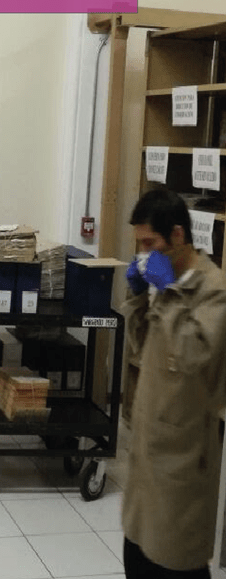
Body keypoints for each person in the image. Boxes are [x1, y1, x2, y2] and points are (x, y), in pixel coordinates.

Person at [122, 189, 226, 578]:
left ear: (178, 235)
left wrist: (167, 293)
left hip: (182, 462)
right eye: (139, 244)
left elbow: (192, 355)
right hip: (147, 455)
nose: (144, 253)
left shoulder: (213, 290)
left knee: (175, 563)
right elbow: (141, 348)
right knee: (137, 558)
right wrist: (138, 298)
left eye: (150, 243)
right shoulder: (165, 285)